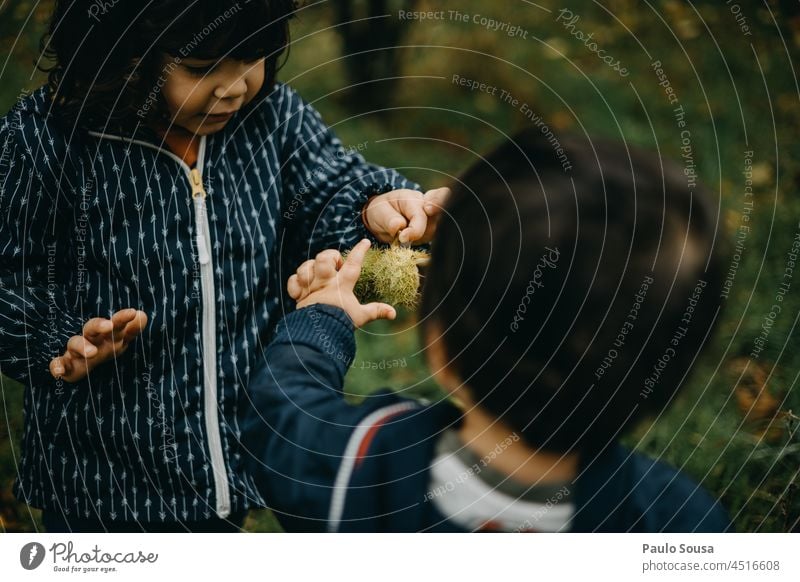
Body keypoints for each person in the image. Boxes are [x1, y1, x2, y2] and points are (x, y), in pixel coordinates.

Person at [0, 0, 448, 532]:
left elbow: (329, 189)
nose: (233, 88)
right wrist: (53, 339)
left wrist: (374, 208)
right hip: (105, 485)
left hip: (238, 459)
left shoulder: (272, 119)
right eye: (202, 68)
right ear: (123, 51)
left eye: (252, 57)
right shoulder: (43, 142)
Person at [243, 128, 730, 532]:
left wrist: (322, 314)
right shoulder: (683, 522)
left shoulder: (352, 470)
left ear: (438, 347)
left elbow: (279, 405)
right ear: (667, 381)